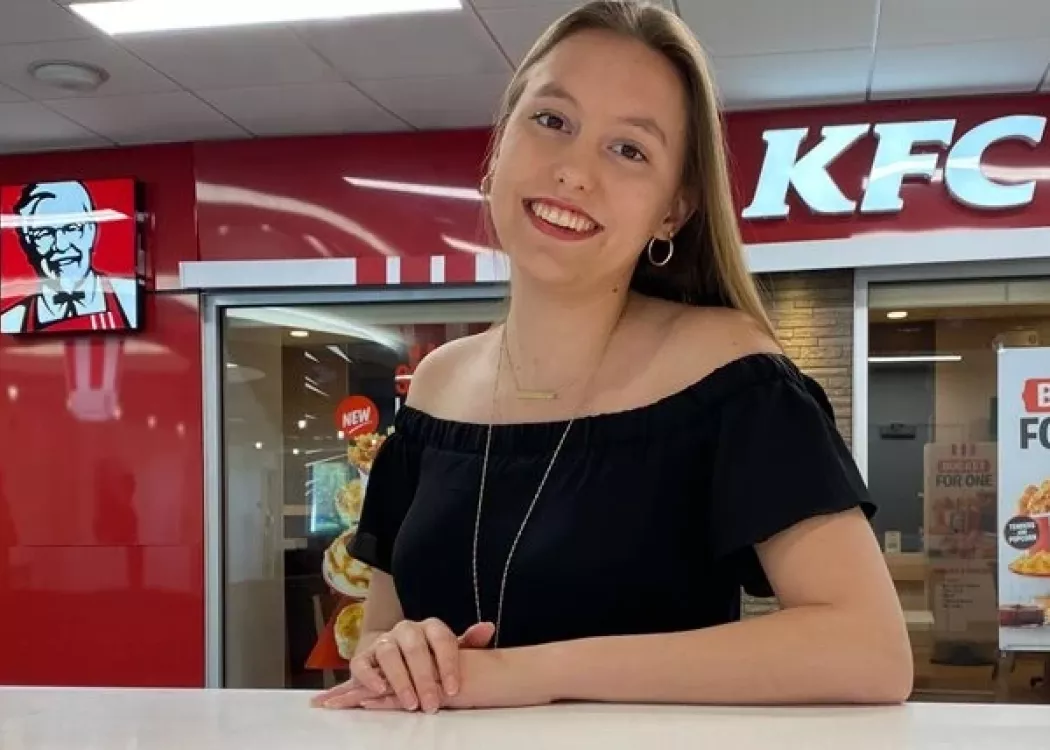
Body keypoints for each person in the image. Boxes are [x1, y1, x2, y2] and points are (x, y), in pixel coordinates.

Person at [314, 0, 912, 713]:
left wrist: (527, 673)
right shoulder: (437, 385)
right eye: (552, 120)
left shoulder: (732, 375)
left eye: (629, 149)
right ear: (498, 149)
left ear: (673, 211)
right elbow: (380, 636)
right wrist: (396, 654)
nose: (573, 171)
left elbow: (869, 651)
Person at [0, 180, 137, 334]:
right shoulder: (11, 321)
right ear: (28, 242)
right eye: (44, 233)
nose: (61, 245)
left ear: (91, 231)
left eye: (72, 228)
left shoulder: (129, 301)